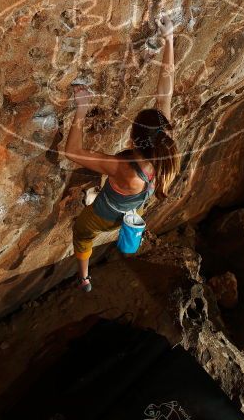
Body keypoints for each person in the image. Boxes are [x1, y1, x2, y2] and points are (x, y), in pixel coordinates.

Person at [64, 15, 180, 292]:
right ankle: (97, 195)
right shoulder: (164, 144)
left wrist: (81, 109)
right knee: (111, 193)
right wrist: (169, 39)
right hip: (136, 203)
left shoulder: (123, 168)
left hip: (106, 214)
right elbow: (166, 88)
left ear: (134, 138)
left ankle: (84, 278)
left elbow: (73, 151)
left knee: (81, 234)